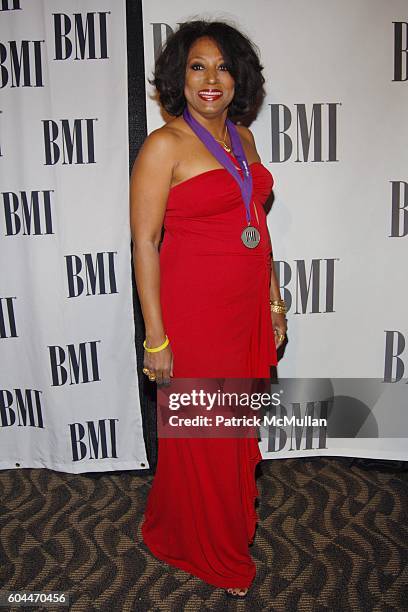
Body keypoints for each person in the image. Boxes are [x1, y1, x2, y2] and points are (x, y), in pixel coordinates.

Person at [130, 20, 288, 598]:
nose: (211, 78)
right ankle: (205, 548)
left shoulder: (243, 138)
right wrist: (156, 337)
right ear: (180, 76)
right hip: (194, 314)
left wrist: (273, 300)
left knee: (231, 428)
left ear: (238, 75)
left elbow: (257, 224)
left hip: (245, 308)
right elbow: (145, 243)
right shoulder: (164, 145)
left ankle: (182, 526)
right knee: (206, 435)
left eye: (222, 66)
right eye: (197, 66)